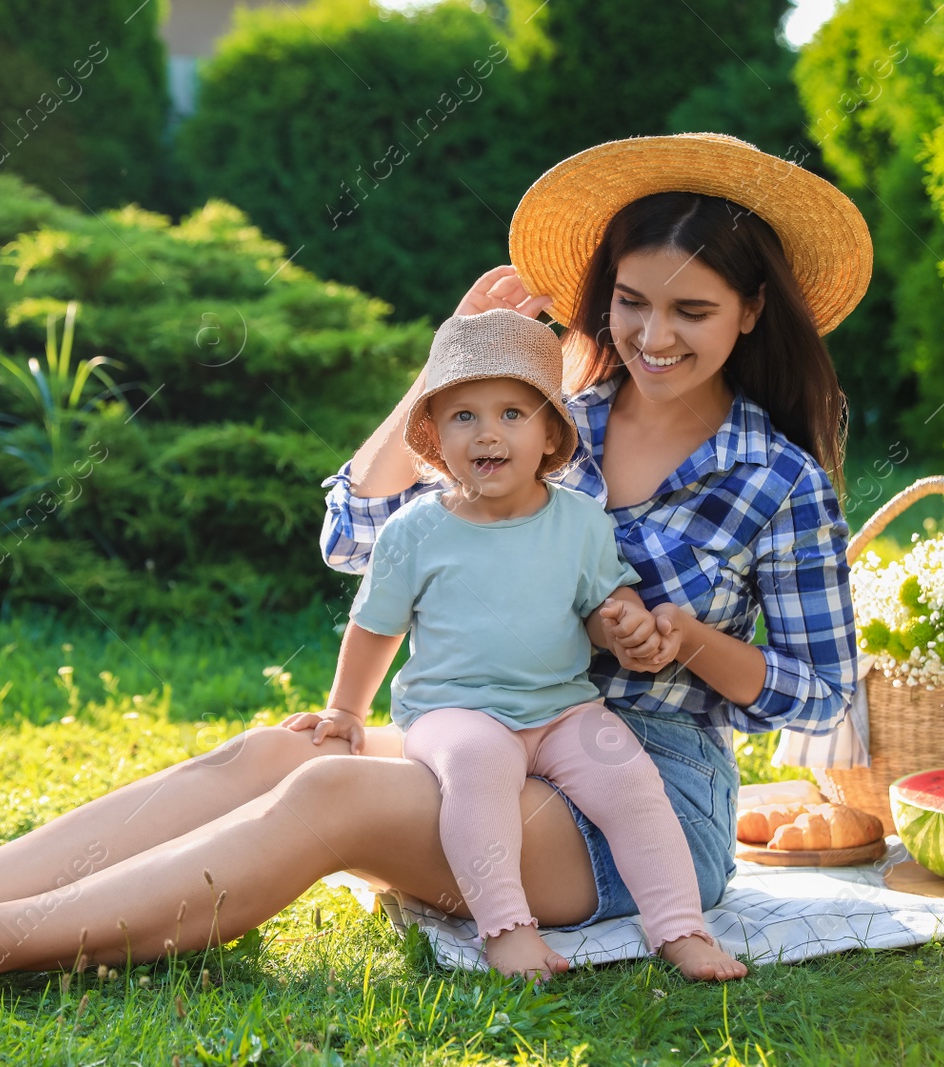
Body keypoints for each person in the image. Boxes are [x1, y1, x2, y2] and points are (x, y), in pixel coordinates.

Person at [0, 133, 864, 1012]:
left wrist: (691, 638)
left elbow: (819, 692)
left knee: (330, 795)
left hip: (640, 797)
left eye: (692, 311)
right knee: (283, 749)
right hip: (492, 737)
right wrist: (438, 374)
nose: (654, 335)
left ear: (753, 311)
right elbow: (361, 538)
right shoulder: (559, 417)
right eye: (631, 303)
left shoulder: (778, 480)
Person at [284, 307, 746, 981]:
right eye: (463, 416)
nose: (487, 432)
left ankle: (680, 928)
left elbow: (601, 600)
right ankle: (506, 926)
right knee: (477, 768)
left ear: (550, 433)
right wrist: (347, 713)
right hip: (457, 711)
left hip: (562, 707)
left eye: (511, 413)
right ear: (436, 436)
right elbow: (374, 627)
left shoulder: (580, 521)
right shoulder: (416, 530)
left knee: (629, 775)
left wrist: (619, 622)